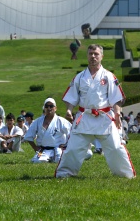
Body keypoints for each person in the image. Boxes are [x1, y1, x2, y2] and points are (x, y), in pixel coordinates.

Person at [55, 44, 135, 178]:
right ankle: (64, 173)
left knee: (116, 147)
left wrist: (117, 114)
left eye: (96, 54)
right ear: (87, 56)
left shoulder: (109, 76)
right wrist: (69, 110)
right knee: (73, 148)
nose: (93, 56)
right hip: (84, 117)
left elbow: (116, 98)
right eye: (90, 54)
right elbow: (71, 97)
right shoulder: (80, 77)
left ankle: (124, 174)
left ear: (102, 56)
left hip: (104, 117)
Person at [24, 97, 71, 163]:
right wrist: (35, 148)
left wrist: (66, 145)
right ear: (44, 108)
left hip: (58, 149)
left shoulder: (61, 121)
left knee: (61, 161)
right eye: (46, 106)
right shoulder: (38, 121)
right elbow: (28, 136)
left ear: (55, 108)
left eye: (51, 106)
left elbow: (72, 133)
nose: (49, 108)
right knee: (37, 161)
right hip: (43, 150)